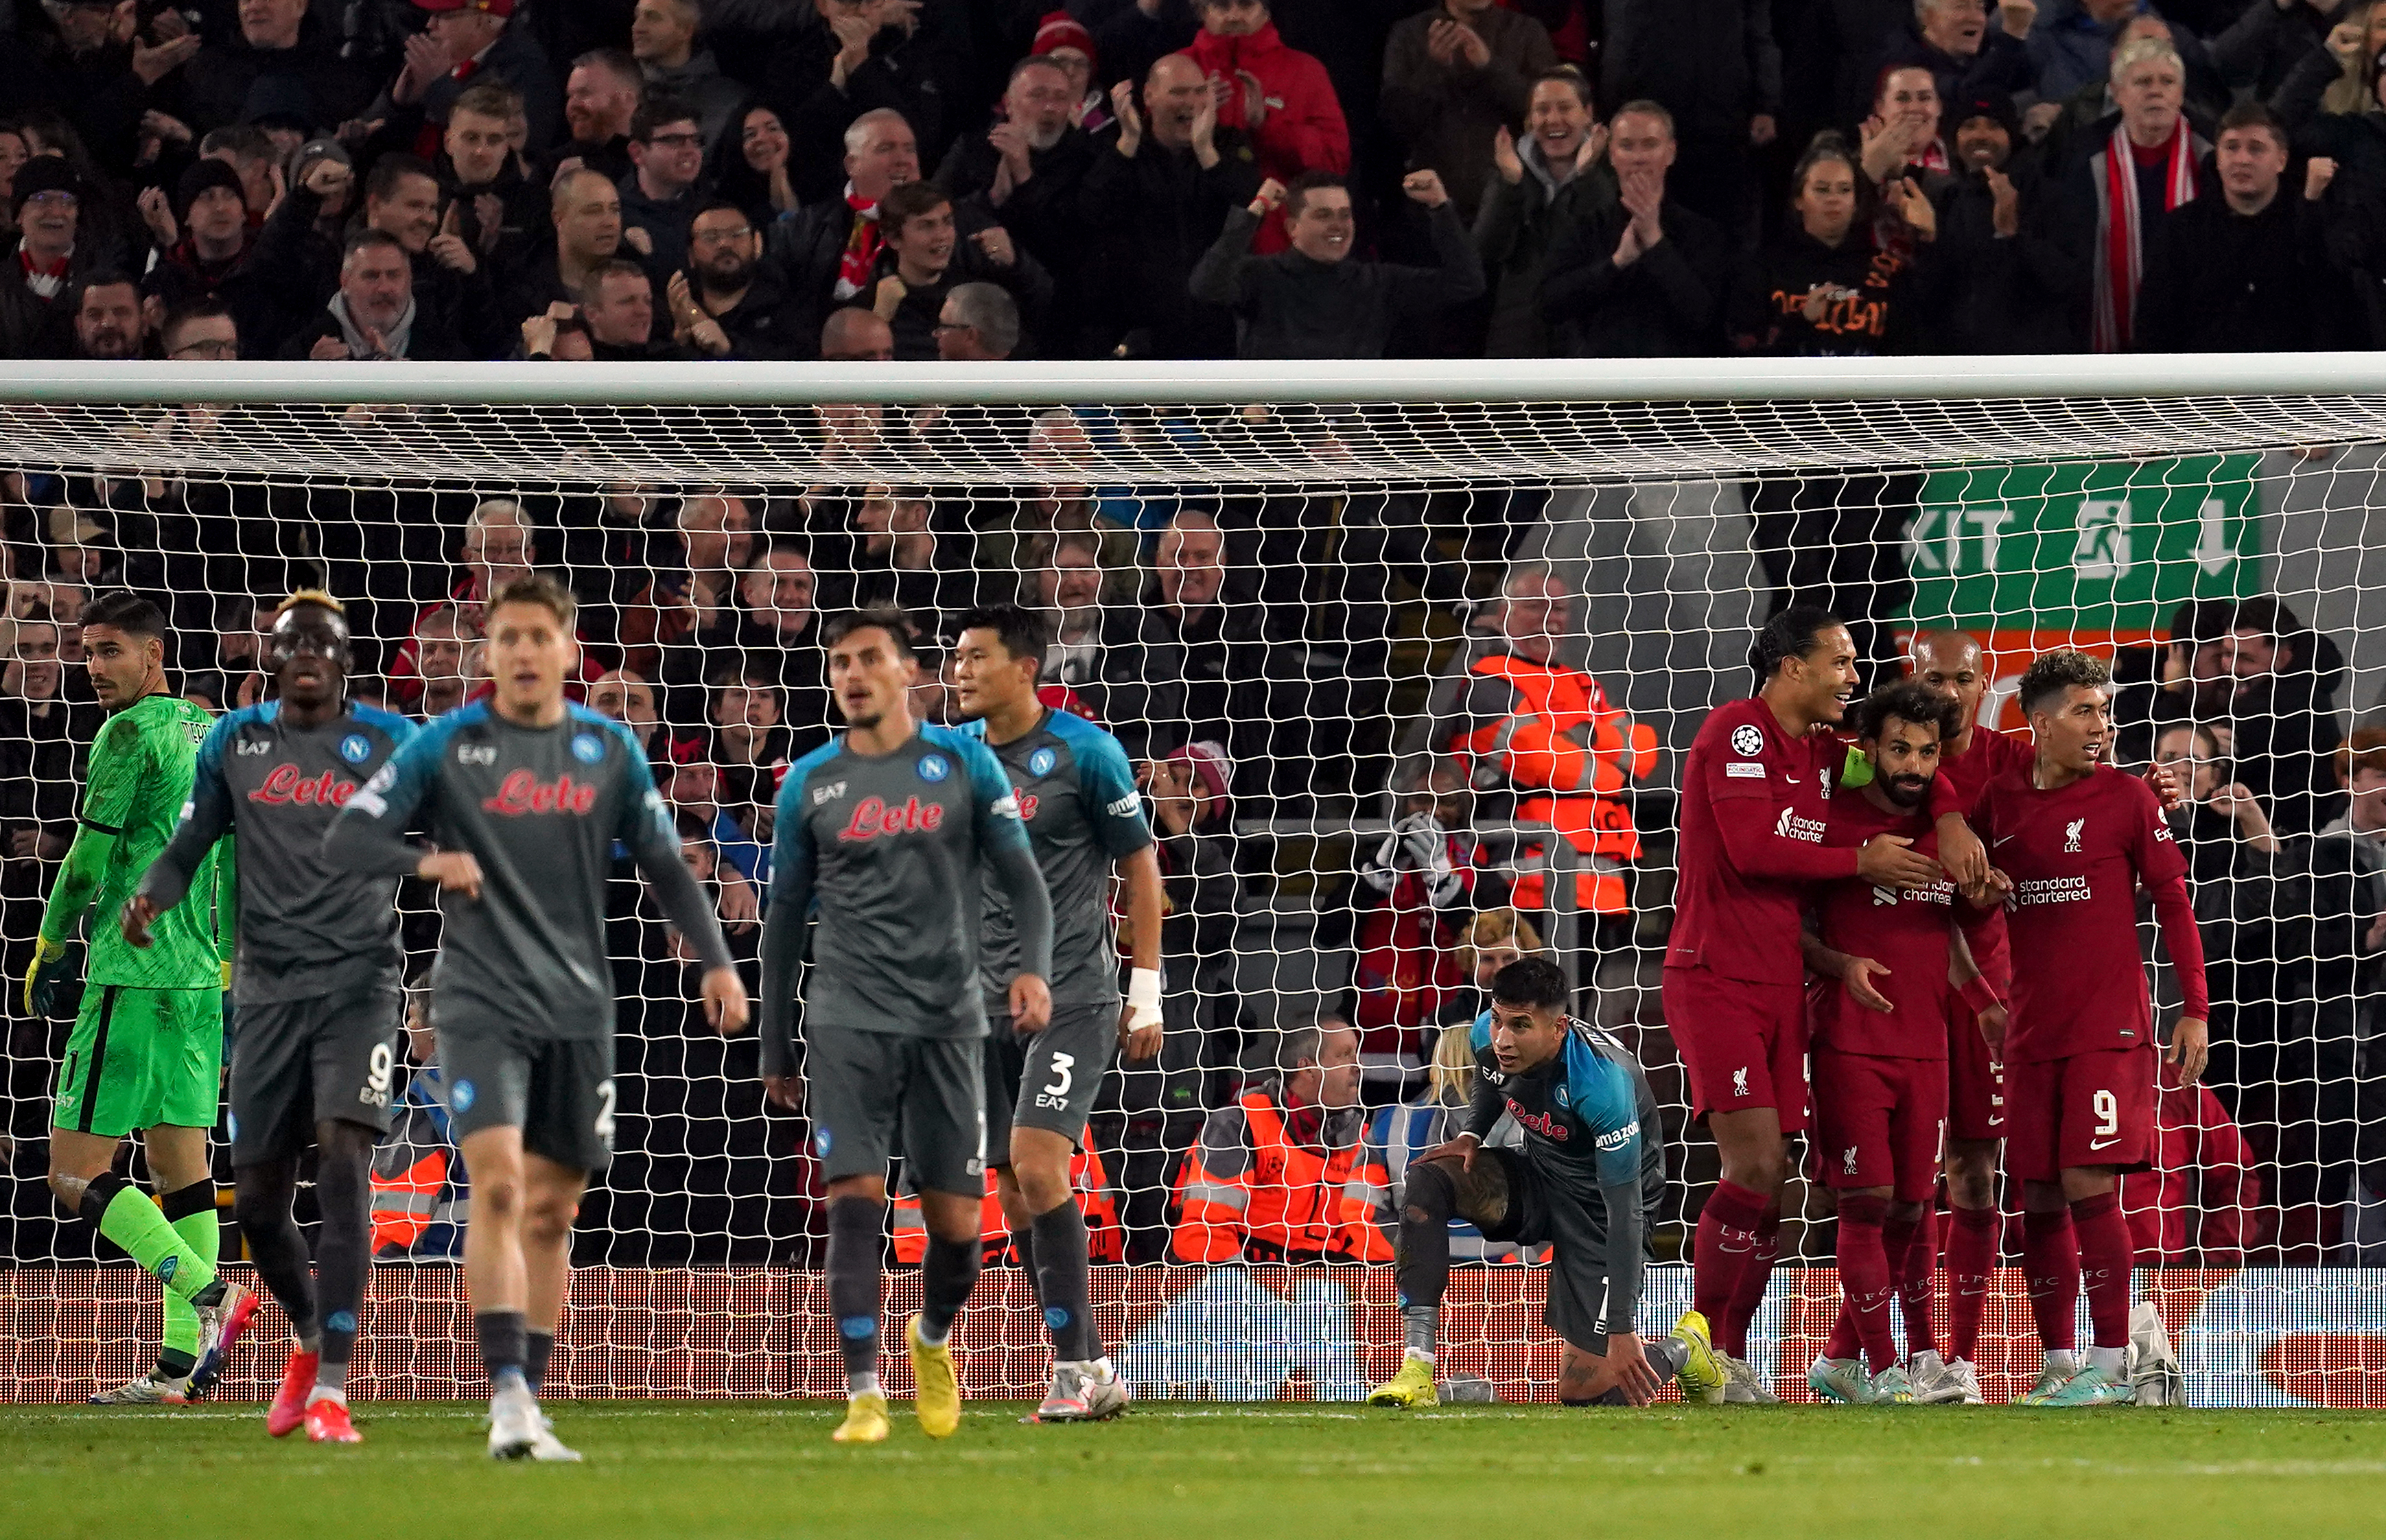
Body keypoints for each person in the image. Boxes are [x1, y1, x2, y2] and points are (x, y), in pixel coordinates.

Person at [325, 573, 747, 1459]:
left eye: (536, 637)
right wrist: (429, 862)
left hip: (579, 1006)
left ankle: (532, 1397)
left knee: (554, 1210)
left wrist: (716, 960)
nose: (521, 652)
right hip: (480, 997)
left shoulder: (607, 751)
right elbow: (349, 837)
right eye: (506, 637)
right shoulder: (449, 745)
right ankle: (508, 1396)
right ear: (489, 652)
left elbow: (668, 866)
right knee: (501, 1184)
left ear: (567, 650)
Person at [756, 605, 1054, 1445]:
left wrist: (1031, 965)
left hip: (950, 1022)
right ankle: (863, 1395)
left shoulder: (963, 766)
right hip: (847, 1019)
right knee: (854, 1200)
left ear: (905, 671)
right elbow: (782, 921)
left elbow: (1023, 880)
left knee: (957, 1231)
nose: (851, 674)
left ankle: (930, 1339)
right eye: (839, 662)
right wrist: (776, 1042)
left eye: (867, 659)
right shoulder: (810, 782)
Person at [123, 593, 417, 1445]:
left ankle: (331, 1382)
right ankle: (304, 1336)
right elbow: (189, 846)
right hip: (266, 993)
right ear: (273, 657)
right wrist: (154, 895)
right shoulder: (235, 742)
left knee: (345, 1156)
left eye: (324, 642)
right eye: (293, 643)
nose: (309, 655)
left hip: (360, 983)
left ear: (346, 657)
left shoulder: (387, 744)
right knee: (256, 1202)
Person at [1664, 607, 1978, 1401]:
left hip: (1785, 984)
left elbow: (1908, 760)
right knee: (1757, 1165)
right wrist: (1859, 860)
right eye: (1839, 662)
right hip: (1716, 976)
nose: (1852, 676)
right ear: (1791, 667)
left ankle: (1727, 1358)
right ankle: (1697, 1333)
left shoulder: (1826, 754)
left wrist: (1943, 812)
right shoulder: (1738, 732)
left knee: (1776, 1186)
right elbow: (1751, 848)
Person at [26, 591, 256, 1406]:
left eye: (110, 651)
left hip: (129, 973)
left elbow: (87, 866)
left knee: (70, 1173)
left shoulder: (128, 733)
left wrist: (52, 947)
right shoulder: (212, 732)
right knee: (181, 1177)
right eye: (87, 652)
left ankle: (210, 1294)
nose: (93, 669)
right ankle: (178, 1371)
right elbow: (229, 869)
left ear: (154, 654)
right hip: (196, 983)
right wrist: (227, 975)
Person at [1966, 649, 2210, 1407]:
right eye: (2084, 710)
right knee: (2036, 1195)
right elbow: (1956, 901)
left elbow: (2173, 901)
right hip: (2033, 1034)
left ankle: (2112, 1359)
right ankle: (2061, 1359)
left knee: (2085, 1184)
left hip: (2109, 1029)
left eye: (2105, 710)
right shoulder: (1997, 804)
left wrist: (2196, 1009)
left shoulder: (2129, 800)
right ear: (2038, 724)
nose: (2102, 725)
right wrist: (1982, 994)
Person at [949, 604, 1164, 1423]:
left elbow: (1141, 870)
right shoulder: (953, 758)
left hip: (1072, 991)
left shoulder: (1086, 753)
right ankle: (1091, 1364)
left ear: (1023, 667)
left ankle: (1076, 1370)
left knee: (1039, 1164)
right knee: (1010, 1185)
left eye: (976, 657)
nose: (960, 671)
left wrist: (1144, 992)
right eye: (956, 657)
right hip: (978, 1001)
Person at [1365, 957, 1722, 1409]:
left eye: (1519, 1026)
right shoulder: (1486, 1037)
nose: (1501, 1039)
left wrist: (1620, 1325)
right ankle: (1416, 1369)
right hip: (1537, 1176)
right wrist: (1473, 1132)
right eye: (1497, 1021)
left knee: (1591, 1398)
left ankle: (1685, 1347)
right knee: (1429, 1180)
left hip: (1602, 1207)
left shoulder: (1600, 1083)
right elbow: (1490, 1079)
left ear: (1558, 1028)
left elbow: (1625, 1211)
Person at [1799, 679, 1989, 1408]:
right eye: (1899, 748)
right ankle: (1883, 1369)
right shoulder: (1833, 820)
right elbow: (1792, 924)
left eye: (1927, 751)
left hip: (1928, 1046)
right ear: (1868, 748)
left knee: (1915, 1208)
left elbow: (1951, 932)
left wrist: (1983, 1001)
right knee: (1868, 1203)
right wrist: (1841, 966)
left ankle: (1874, 1360)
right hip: (1851, 1042)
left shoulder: (1951, 831)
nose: (1912, 764)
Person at [1903, 627, 2033, 1398]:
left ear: (1988, 687)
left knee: (1975, 1170)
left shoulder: (2009, 762)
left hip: (1989, 985)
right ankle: (1897, 1352)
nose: (1950, 695)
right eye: (1937, 680)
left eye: (1965, 680)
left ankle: (1960, 1354)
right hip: (1906, 984)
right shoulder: (1886, 762)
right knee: (1900, 1176)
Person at [1409, 564, 1654, 922]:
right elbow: (1544, 761)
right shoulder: (1488, 683)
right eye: (1536, 606)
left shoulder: (1583, 684)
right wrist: (1607, 766)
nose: (1550, 618)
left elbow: (1643, 750)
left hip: (1602, 887)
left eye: (1560, 608)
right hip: (1517, 888)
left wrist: (1579, 738)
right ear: (1504, 613)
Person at [1076, 51, 1263, 359]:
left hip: (1215, 324)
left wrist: (1206, 153)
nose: (1190, 102)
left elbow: (1251, 212)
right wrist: (1128, 144)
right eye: (1178, 92)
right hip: (1137, 327)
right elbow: (1091, 212)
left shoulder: (1227, 144)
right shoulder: (1115, 146)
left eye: (1199, 91)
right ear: (1149, 96)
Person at [1189, 169, 1484, 358]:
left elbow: (1466, 283)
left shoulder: (1376, 282)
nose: (1338, 225)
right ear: (1293, 228)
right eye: (1323, 215)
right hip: (1275, 438)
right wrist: (1256, 210)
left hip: (1351, 440)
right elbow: (1206, 285)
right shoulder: (1261, 275)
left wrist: (1440, 206)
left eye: (1345, 215)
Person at [1167, 1019, 1392, 1265]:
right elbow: (1204, 1236)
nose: (1358, 1066)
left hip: (1321, 1292)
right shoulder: (1238, 1124)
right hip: (1229, 1287)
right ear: (1307, 1069)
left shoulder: (1363, 1140)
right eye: (1345, 1055)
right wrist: (1248, 1297)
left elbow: (1367, 1239)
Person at [2133, 102, 2335, 353]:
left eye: (2256, 149)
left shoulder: (2310, 226)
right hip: (2202, 386)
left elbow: (2332, 316)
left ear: (2281, 160)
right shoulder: (2181, 230)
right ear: (2217, 158)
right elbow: (2154, 327)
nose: (2242, 159)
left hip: (2291, 386)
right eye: (2231, 148)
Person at [1543, 99, 1729, 358]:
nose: (1639, 158)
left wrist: (1655, 242)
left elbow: (1706, 317)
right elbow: (1550, 305)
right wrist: (1617, 263)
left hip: (1675, 386)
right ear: (1612, 155)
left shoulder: (1703, 233)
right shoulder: (1583, 226)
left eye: (1650, 145)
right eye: (1627, 146)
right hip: (1599, 384)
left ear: (1671, 152)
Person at [2068, 38, 2208, 353]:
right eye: (2143, 82)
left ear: (2181, 94)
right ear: (2118, 94)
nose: (2156, 91)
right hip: (2101, 333)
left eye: (2167, 82)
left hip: (2198, 338)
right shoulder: (2081, 158)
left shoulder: (2212, 156)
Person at [1182, 0, 1350, 253]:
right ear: (1202, 11)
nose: (1234, 15)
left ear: (1266, 9)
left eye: (1246, 4)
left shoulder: (1305, 70)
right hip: (1191, 238)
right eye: (1222, 5)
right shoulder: (1176, 69)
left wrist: (1267, 127)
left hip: (1278, 246)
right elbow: (1155, 157)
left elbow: (1334, 162)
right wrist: (1191, 119)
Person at [1379, 0, 1561, 223]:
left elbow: (1547, 114)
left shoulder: (1526, 31)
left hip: (1511, 201)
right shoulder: (1409, 33)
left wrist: (1489, 67)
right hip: (1429, 203)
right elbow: (1395, 121)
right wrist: (1433, 68)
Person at [1473, 66, 1611, 358]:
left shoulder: (1609, 171)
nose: (1553, 120)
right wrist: (1510, 184)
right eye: (1542, 110)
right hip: (1517, 335)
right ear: (1529, 120)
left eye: (1565, 108)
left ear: (1588, 114)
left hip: (1589, 335)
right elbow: (1485, 251)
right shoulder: (1508, 172)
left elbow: (1606, 245)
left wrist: (1587, 178)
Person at [867, 181, 1051, 360]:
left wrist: (1016, 264)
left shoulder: (978, 291)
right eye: (927, 226)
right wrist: (879, 321)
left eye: (947, 222)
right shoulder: (874, 304)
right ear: (893, 238)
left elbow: (1045, 320)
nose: (942, 236)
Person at [630, 0, 745, 152]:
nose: (637, 27)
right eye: (637, 17)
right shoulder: (622, 88)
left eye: (652, 17)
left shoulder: (731, 101)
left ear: (685, 30)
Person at [618, 97, 710, 281]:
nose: (690, 150)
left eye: (696, 140)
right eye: (674, 141)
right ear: (637, 153)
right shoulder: (615, 215)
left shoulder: (712, 211)